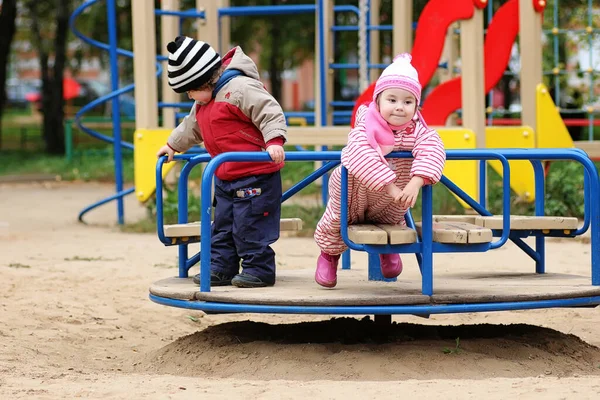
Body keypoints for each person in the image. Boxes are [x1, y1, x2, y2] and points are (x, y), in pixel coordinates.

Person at [156, 36, 287, 288]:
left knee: (251, 226)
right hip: (226, 177)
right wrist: (172, 145)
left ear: (205, 80)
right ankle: (221, 267)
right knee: (223, 226)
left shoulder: (240, 89)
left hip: (256, 175)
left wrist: (274, 141)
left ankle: (259, 269)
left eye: (189, 90)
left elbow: (269, 111)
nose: (189, 96)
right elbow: (190, 127)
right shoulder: (204, 103)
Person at [314, 53, 446, 288]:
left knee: (392, 219)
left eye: (408, 102)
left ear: (416, 106)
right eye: (392, 100)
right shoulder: (366, 125)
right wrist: (390, 186)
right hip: (351, 191)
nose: (399, 107)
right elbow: (359, 151)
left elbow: (434, 149)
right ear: (377, 101)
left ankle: (388, 251)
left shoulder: (417, 130)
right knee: (336, 222)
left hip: (390, 199)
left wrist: (416, 182)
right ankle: (329, 257)